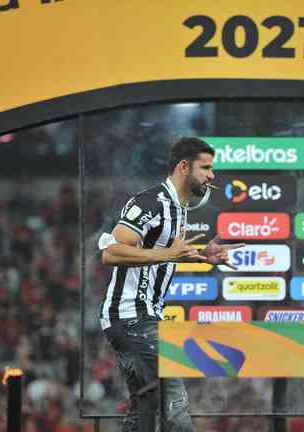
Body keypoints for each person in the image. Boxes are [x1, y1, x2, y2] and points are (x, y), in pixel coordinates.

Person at [98, 137, 242, 431]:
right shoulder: (151, 202)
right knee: (174, 407)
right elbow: (110, 252)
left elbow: (166, 253)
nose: (212, 175)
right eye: (206, 168)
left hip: (142, 317)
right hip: (131, 317)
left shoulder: (179, 208)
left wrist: (202, 257)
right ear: (184, 167)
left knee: (145, 408)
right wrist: (168, 253)